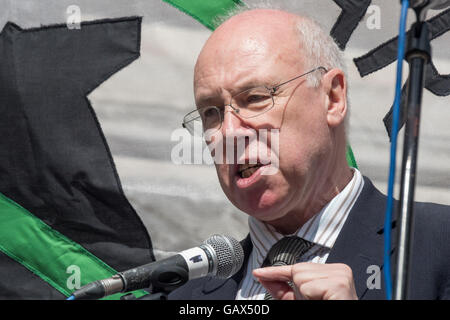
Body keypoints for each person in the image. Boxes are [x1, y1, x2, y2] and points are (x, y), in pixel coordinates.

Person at [169, 8, 450, 300]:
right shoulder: (184, 296)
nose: (228, 132)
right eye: (210, 113)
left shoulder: (438, 245)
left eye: (255, 98)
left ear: (333, 98)